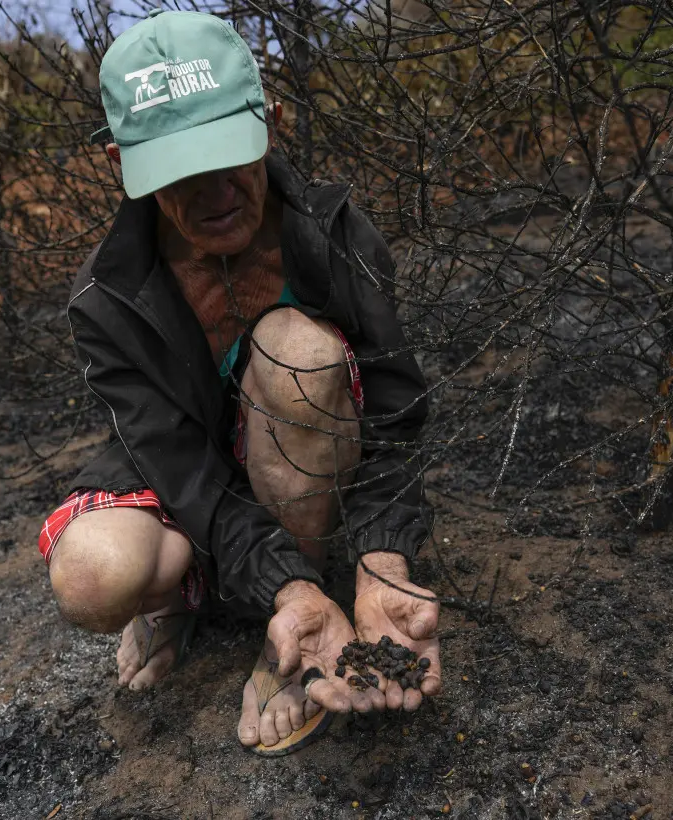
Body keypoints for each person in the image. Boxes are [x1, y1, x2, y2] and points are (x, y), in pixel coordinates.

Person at [37, 8, 440, 756]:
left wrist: (383, 557)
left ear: (271, 123)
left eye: (228, 157)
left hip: (303, 444)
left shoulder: (332, 232)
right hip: (188, 460)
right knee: (94, 577)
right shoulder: (107, 295)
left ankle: (295, 620)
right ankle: (197, 597)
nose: (212, 193)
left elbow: (392, 409)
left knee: (296, 351)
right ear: (127, 167)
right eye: (177, 173)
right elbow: (176, 464)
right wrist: (276, 582)